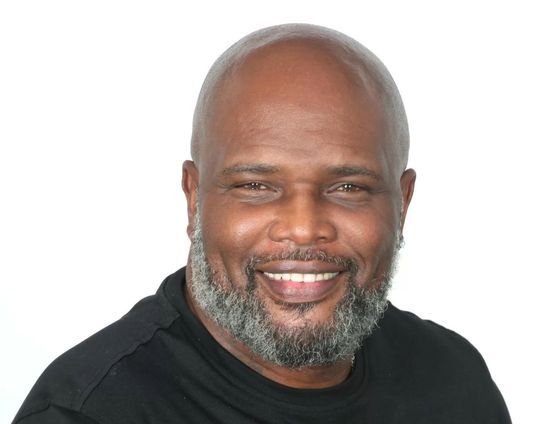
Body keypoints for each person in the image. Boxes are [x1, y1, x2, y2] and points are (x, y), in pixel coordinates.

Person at [13, 23, 511, 423]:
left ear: (402, 204)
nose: (302, 228)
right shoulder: (87, 412)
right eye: (256, 186)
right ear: (194, 199)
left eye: (348, 187)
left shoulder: (453, 383)